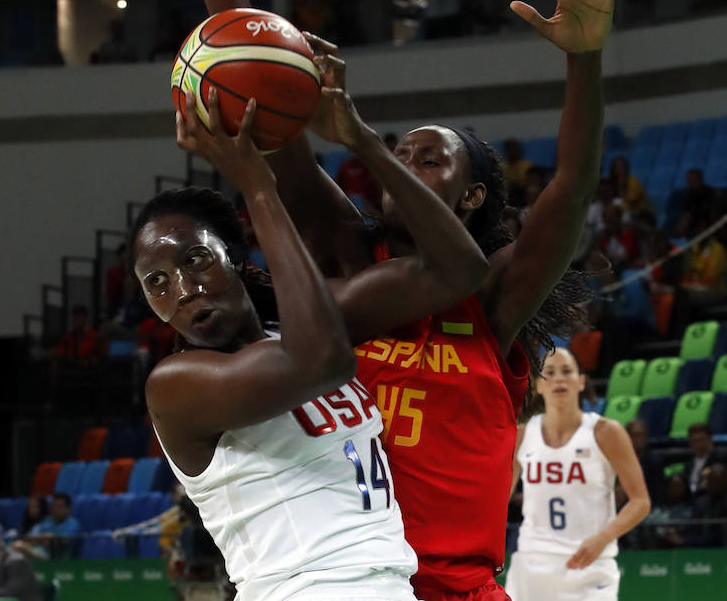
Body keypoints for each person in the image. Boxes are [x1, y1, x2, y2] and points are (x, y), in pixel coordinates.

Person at [138, 0, 623, 600]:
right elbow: (253, 76)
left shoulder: (491, 303)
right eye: (402, 147)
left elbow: (571, 191)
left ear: (473, 197)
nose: (406, 159)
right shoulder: (343, 266)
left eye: (430, 157)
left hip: (457, 587)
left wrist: (586, 64)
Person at [132, 84, 485, 600]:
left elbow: (461, 269)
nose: (183, 291)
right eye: (156, 283)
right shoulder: (176, 386)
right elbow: (322, 361)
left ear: (233, 256)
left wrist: (345, 128)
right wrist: (259, 189)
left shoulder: (292, 330)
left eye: (194, 260)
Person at [503, 348, 650, 600]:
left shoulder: (606, 432)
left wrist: (603, 537)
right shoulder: (522, 435)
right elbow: (498, 500)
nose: (559, 378)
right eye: (550, 373)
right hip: (532, 565)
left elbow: (641, 502)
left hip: (590, 565)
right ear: (538, 385)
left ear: (581, 381)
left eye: (567, 371)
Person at [13, 493, 81, 560]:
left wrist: (45, 539)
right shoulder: (46, 521)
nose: (56, 509)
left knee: (19, 546)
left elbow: (60, 543)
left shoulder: (73, 524)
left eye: (60, 507)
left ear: (68, 509)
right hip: (38, 552)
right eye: (54, 506)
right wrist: (44, 539)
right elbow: (31, 538)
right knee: (15, 547)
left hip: (58, 559)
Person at [681, 423, 726, 499]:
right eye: (695, 441)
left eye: (702, 440)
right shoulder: (688, 464)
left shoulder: (719, 460)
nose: (699, 445)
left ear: (710, 439)